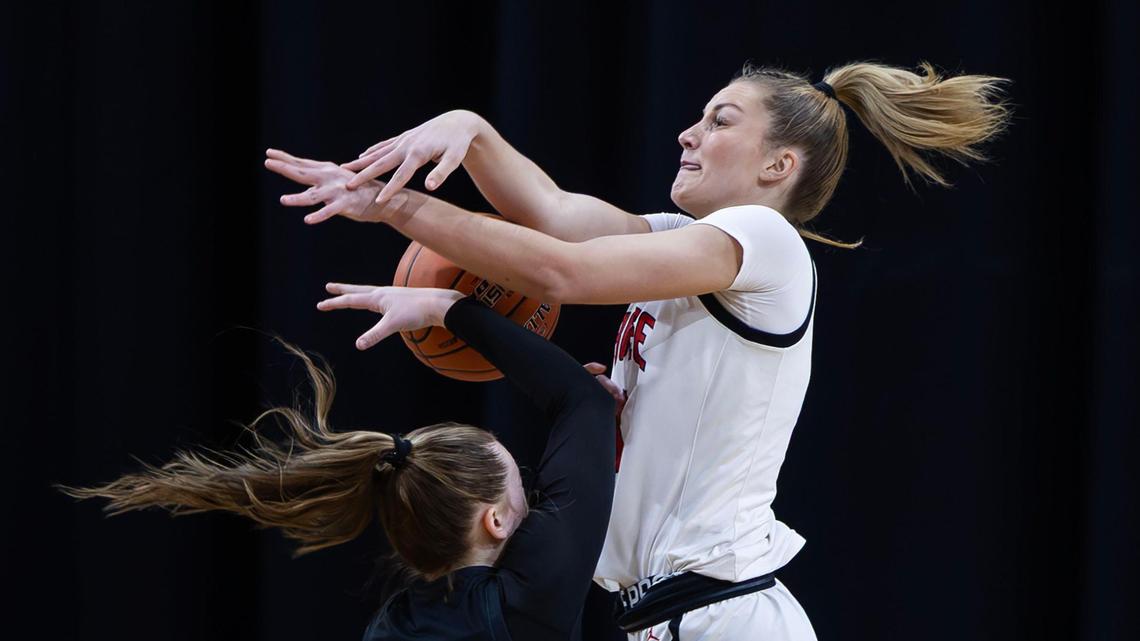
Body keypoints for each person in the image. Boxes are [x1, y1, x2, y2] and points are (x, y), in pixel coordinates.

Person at [265, 61, 1010, 640]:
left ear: (778, 167)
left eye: (719, 120)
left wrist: (396, 206)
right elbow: (553, 216)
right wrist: (472, 129)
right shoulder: (685, 242)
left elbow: (559, 272)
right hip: (664, 613)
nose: (688, 133)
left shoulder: (767, 241)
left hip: (724, 614)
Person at [63, 285, 617, 641]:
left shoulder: (393, 627)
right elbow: (580, 400)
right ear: (493, 521)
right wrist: (443, 309)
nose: (537, 493)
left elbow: (578, 406)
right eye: (521, 483)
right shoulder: (525, 596)